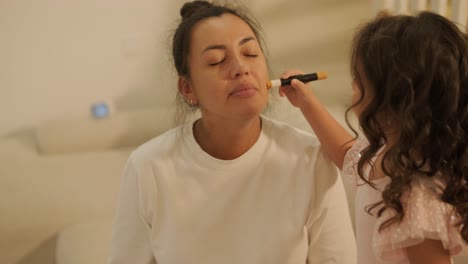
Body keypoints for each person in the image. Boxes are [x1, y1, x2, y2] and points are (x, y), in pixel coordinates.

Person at [108, 1, 356, 264]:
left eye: (250, 53)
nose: (241, 67)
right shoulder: (148, 167)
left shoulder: (310, 158)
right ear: (188, 89)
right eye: (217, 60)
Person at [279, 11, 468, 264]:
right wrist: (306, 101)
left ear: (393, 101)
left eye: (359, 80)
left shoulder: (417, 196)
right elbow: (347, 155)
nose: (352, 86)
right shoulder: (387, 155)